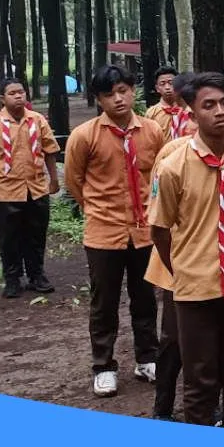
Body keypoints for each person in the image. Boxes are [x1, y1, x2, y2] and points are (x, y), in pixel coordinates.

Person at [149, 73, 224, 428]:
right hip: (195, 287)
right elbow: (159, 230)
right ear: (192, 113)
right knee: (200, 380)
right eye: (208, 105)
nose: (219, 112)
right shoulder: (173, 167)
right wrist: (184, 270)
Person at [66, 65, 163, 398]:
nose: (118, 99)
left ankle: (148, 358)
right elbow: (74, 182)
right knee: (103, 302)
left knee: (145, 298)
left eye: (123, 90)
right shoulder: (84, 136)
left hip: (145, 231)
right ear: (99, 99)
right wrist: (97, 209)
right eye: (109, 94)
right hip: (103, 232)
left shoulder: (152, 131)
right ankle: (104, 366)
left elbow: (160, 177)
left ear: (133, 91)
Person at [0, 78, 61, 298]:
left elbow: (50, 151)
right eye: (12, 93)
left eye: (21, 92)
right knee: (9, 237)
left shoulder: (37, 120)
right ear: (3, 98)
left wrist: (54, 180)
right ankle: (12, 279)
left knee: (36, 235)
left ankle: (36, 275)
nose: (18, 96)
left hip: (36, 188)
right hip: (6, 191)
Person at [145, 72, 196, 422]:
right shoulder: (171, 154)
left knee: (217, 343)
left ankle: (209, 405)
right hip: (179, 263)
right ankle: (163, 406)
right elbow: (158, 219)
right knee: (175, 339)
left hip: (219, 265)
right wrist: (176, 267)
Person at [145, 66, 195, 141]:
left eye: (171, 83)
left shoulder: (189, 110)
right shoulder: (152, 113)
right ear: (157, 88)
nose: (167, 87)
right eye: (162, 84)